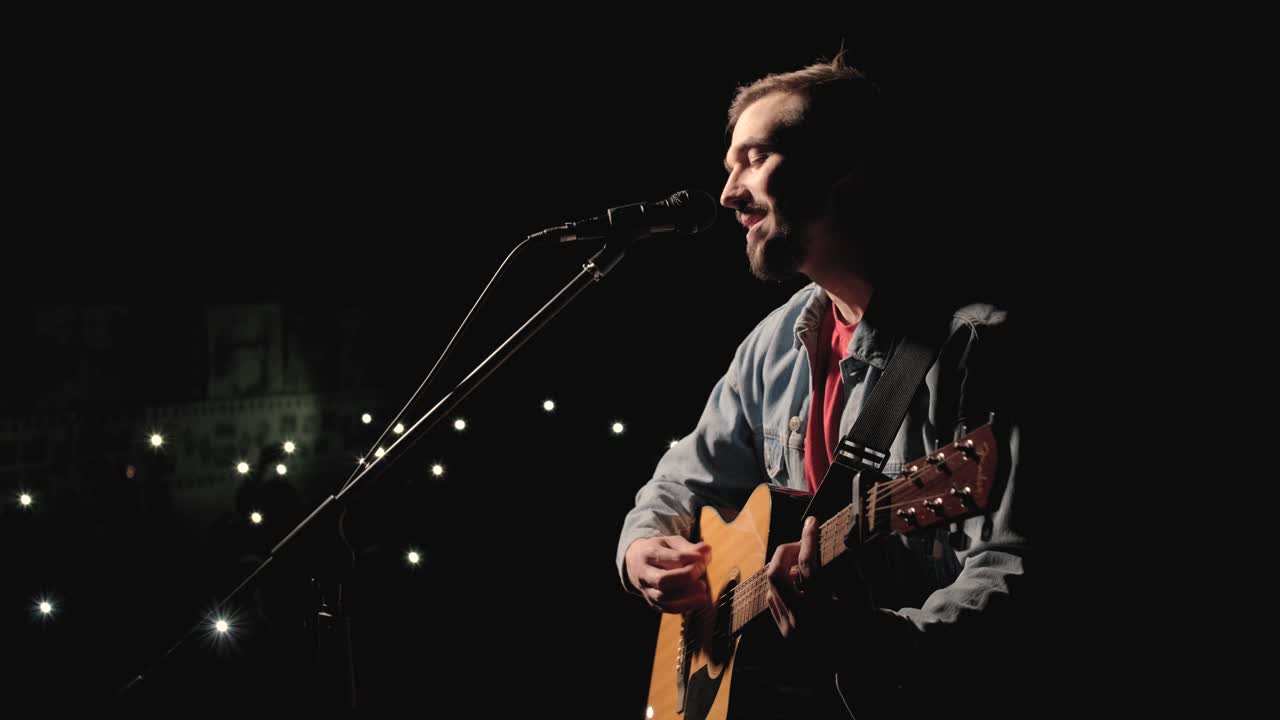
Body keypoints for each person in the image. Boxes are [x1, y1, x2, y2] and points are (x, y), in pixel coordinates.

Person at [616, 51, 1032, 718]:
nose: (727, 194)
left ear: (841, 165)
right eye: (728, 169)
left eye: (754, 158)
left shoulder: (975, 348)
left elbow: (1018, 574)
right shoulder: (771, 344)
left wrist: (876, 645)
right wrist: (642, 547)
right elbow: (680, 481)